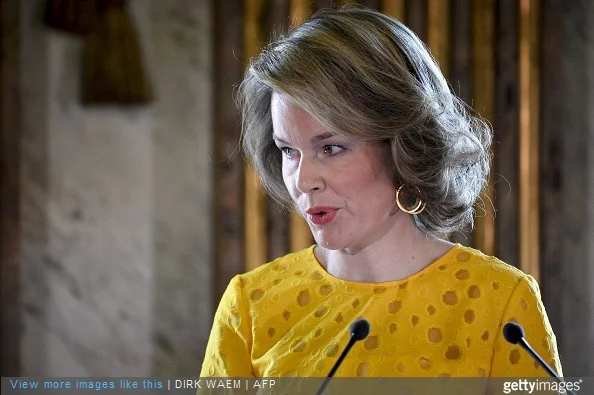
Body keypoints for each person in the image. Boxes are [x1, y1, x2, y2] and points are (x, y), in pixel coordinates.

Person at [200, 6, 562, 378]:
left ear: (403, 147)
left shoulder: (500, 302)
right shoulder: (250, 305)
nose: (303, 179)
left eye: (331, 148)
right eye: (289, 151)